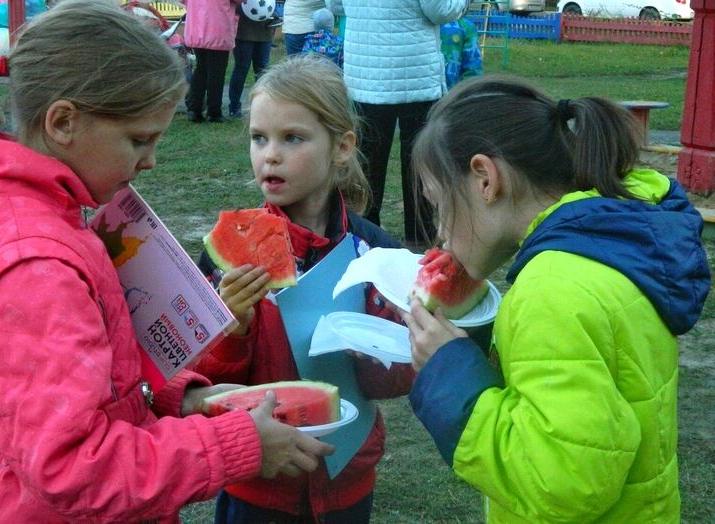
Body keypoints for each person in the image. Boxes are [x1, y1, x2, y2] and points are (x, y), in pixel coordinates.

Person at [0, 1, 332, 521]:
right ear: (64, 121)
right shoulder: (31, 268)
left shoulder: (35, 209)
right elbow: (72, 467)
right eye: (139, 139)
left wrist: (179, 397)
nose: (151, 160)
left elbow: (81, 378)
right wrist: (230, 446)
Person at [404, 76, 711, 522]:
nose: (439, 231)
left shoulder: (550, 290)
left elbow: (565, 484)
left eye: (437, 203)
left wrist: (450, 377)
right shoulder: (613, 246)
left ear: (484, 179)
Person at [194, 55, 416, 524]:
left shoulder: (375, 252)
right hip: (257, 480)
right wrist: (232, 329)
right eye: (259, 138)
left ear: (341, 147)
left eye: (292, 138)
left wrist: (376, 341)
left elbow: (392, 382)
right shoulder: (225, 260)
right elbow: (207, 386)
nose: (269, 155)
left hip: (346, 477)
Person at [326, 0, 466, 248]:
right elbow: (440, 10)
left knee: (368, 162)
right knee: (419, 159)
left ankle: (364, 233)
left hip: (365, 74)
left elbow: (335, 5)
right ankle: (419, 233)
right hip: (414, 74)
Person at [183, 0, 240, 123]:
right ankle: (214, 112)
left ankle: (194, 110)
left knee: (200, 70)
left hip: (196, 27)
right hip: (218, 27)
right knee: (216, 72)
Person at [228, 6, 275, 118]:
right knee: (241, 69)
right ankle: (234, 106)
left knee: (262, 71)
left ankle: (262, 106)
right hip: (243, 32)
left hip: (265, 31)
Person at [440, 18, 483, 90]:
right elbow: (473, 70)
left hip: (452, 95)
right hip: (452, 95)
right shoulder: (465, 26)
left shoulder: (465, 26)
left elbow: (472, 69)